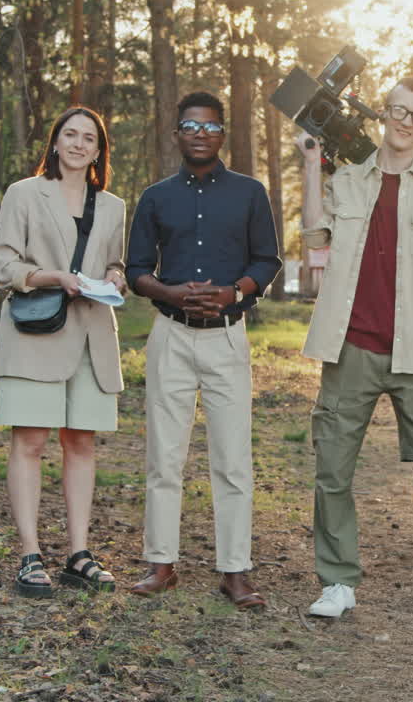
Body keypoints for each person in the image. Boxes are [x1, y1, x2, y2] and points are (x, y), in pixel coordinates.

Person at [295, 77, 413, 629]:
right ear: (385, 113)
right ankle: (338, 581)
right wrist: (311, 166)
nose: (406, 121)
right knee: (333, 467)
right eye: (399, 110)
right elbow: (315, 238)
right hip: (350, 345)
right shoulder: (349, 180)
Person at [125, 91, 281, 610]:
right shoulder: (155, 198)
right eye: (191, 126)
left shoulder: (250, 193)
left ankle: (234, 572)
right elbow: (136, 269)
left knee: (233, 460)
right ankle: (161, 564)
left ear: (222, 135)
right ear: (177, 134)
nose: (200, 134)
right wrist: (169, 293)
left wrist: (233, 292)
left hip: (227, 338)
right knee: (164, 457)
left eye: (210, 126)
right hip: (170, 335)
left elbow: (267, 261)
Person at [0, 106, 127, 597]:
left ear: (98, 150)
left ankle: (78, 554)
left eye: (89, 138)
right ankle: (30, 555)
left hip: (92, 335)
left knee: (81, 443)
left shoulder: (113, 206)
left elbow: (116, 262)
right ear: (55, 141)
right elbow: (3, 264)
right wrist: (53, 277)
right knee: (30, 441)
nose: (78, 144)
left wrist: (116, 277)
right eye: (70, 134)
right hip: (36, 333)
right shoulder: (24, 193)